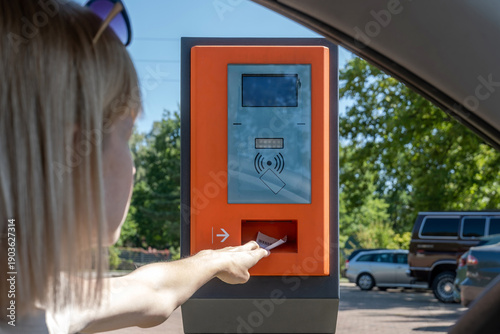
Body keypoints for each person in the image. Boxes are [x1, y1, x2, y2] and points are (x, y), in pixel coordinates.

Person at [0, 0, 269, 332]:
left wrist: (217, 259)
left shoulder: (25, 294)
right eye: (126, 134)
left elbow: (150, 292)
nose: (133, 168)